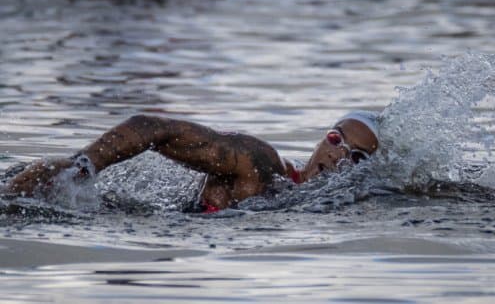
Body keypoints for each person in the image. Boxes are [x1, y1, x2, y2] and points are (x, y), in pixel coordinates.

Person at [5, 111, 379, 212]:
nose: (338, 156)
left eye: (357, 158)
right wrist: (83, 167)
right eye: (336, 139)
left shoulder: (324, 207)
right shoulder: (261, 163)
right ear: (321, 138)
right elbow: (153, 127)